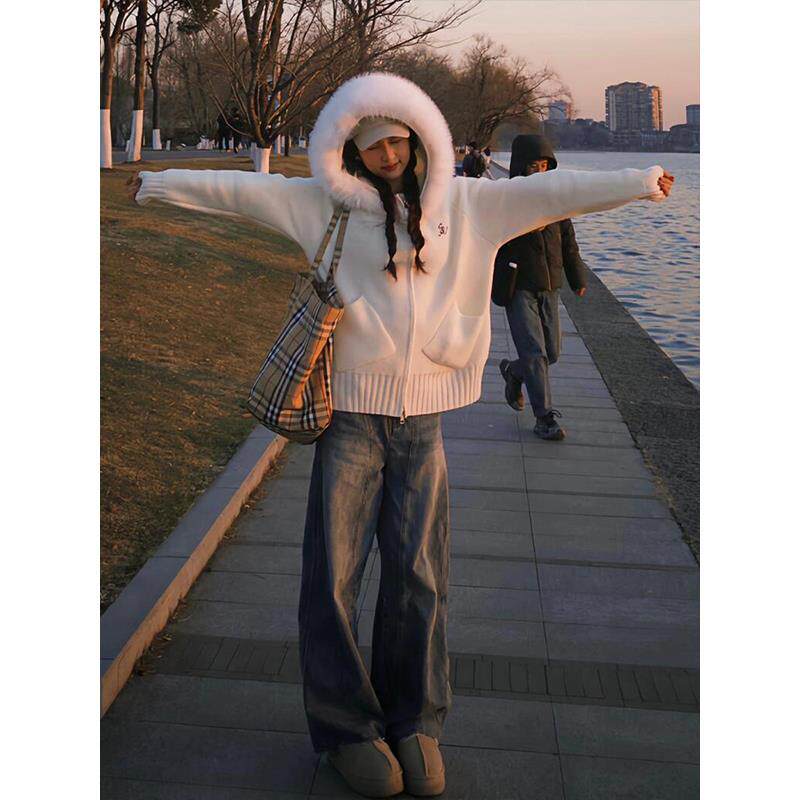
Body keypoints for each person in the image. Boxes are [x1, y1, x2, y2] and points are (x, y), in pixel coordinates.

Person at [126, 72, 674, 799]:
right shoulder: (324, 204)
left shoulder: (468, 205)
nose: (386, 154)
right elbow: (244, 192)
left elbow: (552, 193)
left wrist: (640, 182)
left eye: (396, 140)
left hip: (425, 422)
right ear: (349, 150)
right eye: (370, 145)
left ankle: (416, 722)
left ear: (417, 139)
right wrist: (156, 185)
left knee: (420, 577)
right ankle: (346, 731)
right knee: (333, 578)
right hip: (350, 419)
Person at [496, 134, 592, 441]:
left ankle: (514, 372)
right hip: (518, 286)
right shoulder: (507, 201)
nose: (539, 171)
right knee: (534, 351)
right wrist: (524, 225)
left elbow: (569, 244)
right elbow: (493, 240)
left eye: (544, 166)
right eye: (533, 166)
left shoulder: (557, 202)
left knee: (552, 352)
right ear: (520, 168)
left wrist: (577, 278)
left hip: (550, 285)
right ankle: (544, 417)